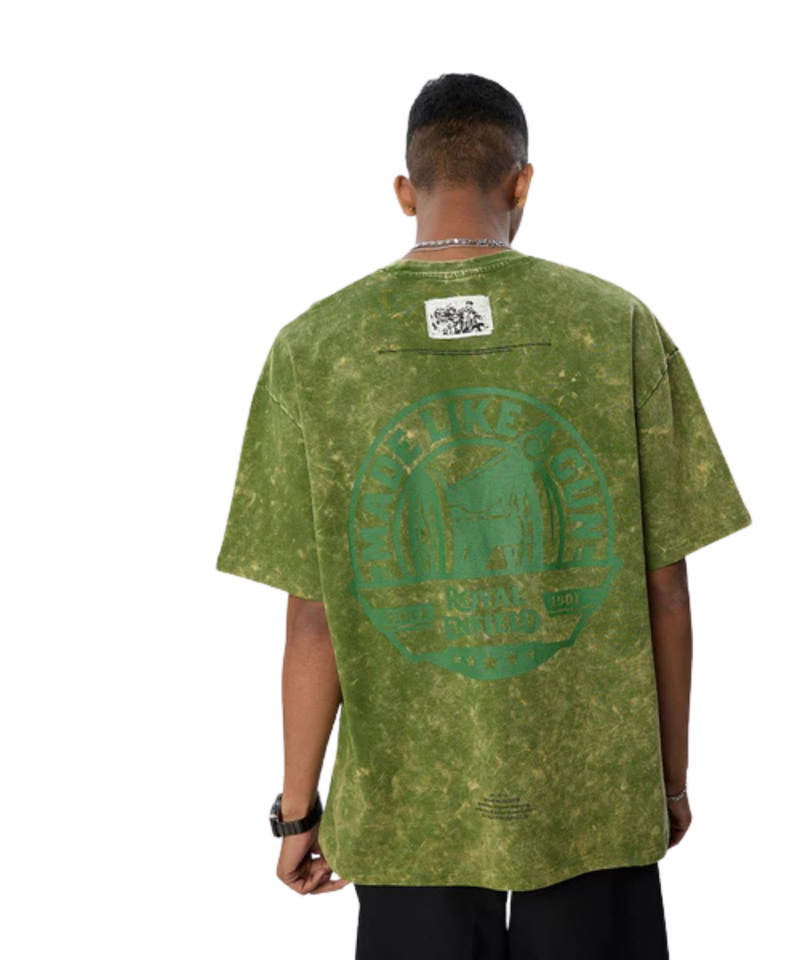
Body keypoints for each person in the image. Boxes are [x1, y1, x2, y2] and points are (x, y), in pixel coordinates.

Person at [215, 72, 752, 960]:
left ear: (404, 191)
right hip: (590, 798)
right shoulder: (613, 327)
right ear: (522, 182)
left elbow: (313, 617)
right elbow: (666, 589)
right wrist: (666, 782)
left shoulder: (315, 350)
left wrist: (299, 811)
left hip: (409, 806)